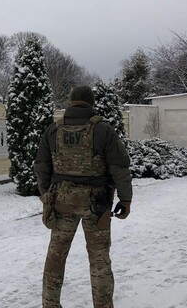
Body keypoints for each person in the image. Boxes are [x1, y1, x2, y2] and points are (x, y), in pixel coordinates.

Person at [34, 85, 132, 308]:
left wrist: (46, 195)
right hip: (97, 204)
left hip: (62, 201)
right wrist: (125, 200)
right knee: (99, 259)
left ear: (70, 102)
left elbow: (41, 166)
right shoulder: (103, 130)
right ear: (92, 103)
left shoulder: (53, 130)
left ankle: (50, 304)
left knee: (56, 256)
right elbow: (120, 168)